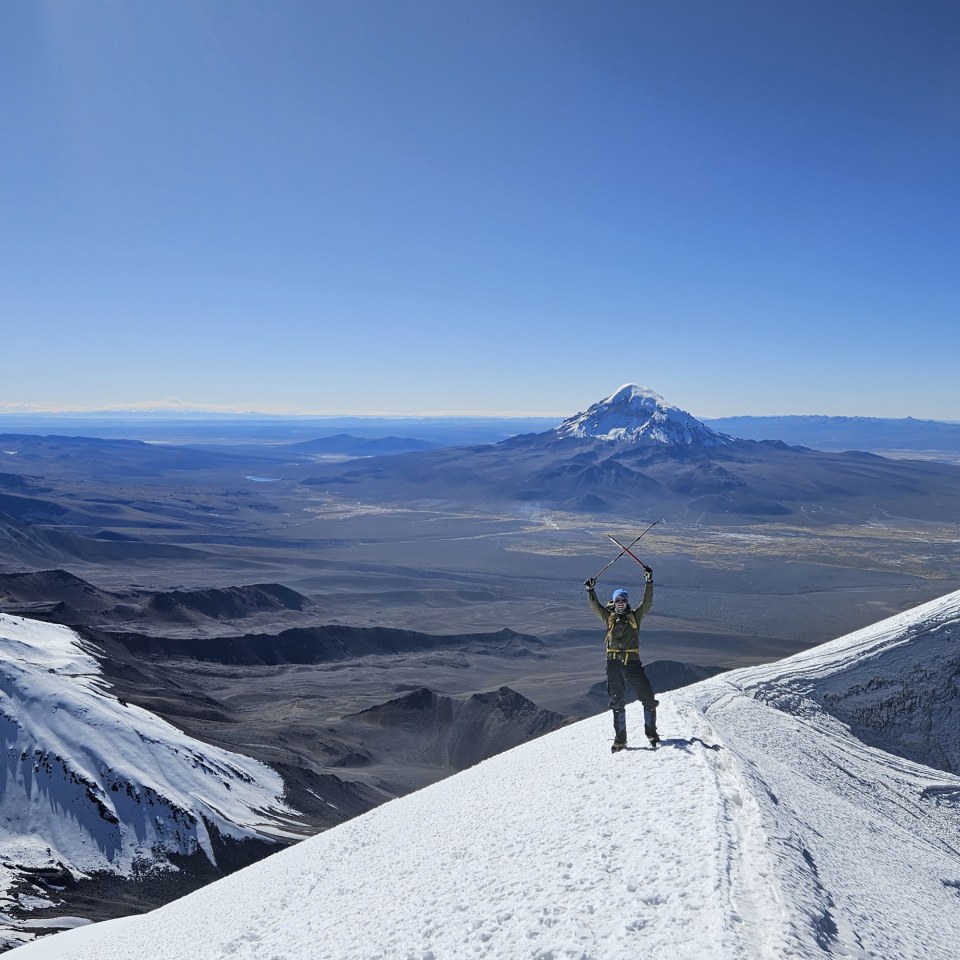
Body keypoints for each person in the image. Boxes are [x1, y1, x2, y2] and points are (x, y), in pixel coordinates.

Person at [584, 570, 659, 751]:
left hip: (631, 662)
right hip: (614, 662)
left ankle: (651, 733)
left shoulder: (635, 616)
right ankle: (620, 740)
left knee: (648, 698)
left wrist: (649, 582)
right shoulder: (609, 617)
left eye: (622, 600)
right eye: (617, 601)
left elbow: (647, 603)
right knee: (617, 701)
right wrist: (590, 592)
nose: (620, 604)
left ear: (626, 602)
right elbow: (596, 608)